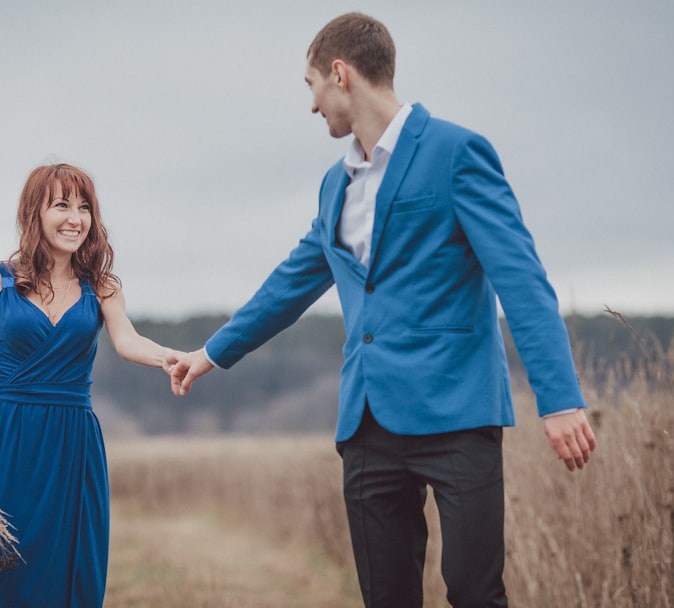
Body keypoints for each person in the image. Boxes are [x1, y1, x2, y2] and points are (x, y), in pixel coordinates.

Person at [169, 12, 596, 608]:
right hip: (367, 423)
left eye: (311, 85)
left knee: (476, 593)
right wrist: (212, 353)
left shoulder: (456, 152)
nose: (312, 105)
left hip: (457, 412)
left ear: (339, 73)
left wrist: (560, 397)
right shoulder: (333, 186)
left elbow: (521, 279)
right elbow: (290, 283)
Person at [0, 163, 182, 607]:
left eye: (84, 207)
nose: (76, 218)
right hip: (7, 442)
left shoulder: (101, 286)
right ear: (34, 212)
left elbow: (127, 340)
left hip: (74, 447)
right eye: (62, 205)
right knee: (7, 573)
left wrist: (172, 358)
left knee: (69, 574)